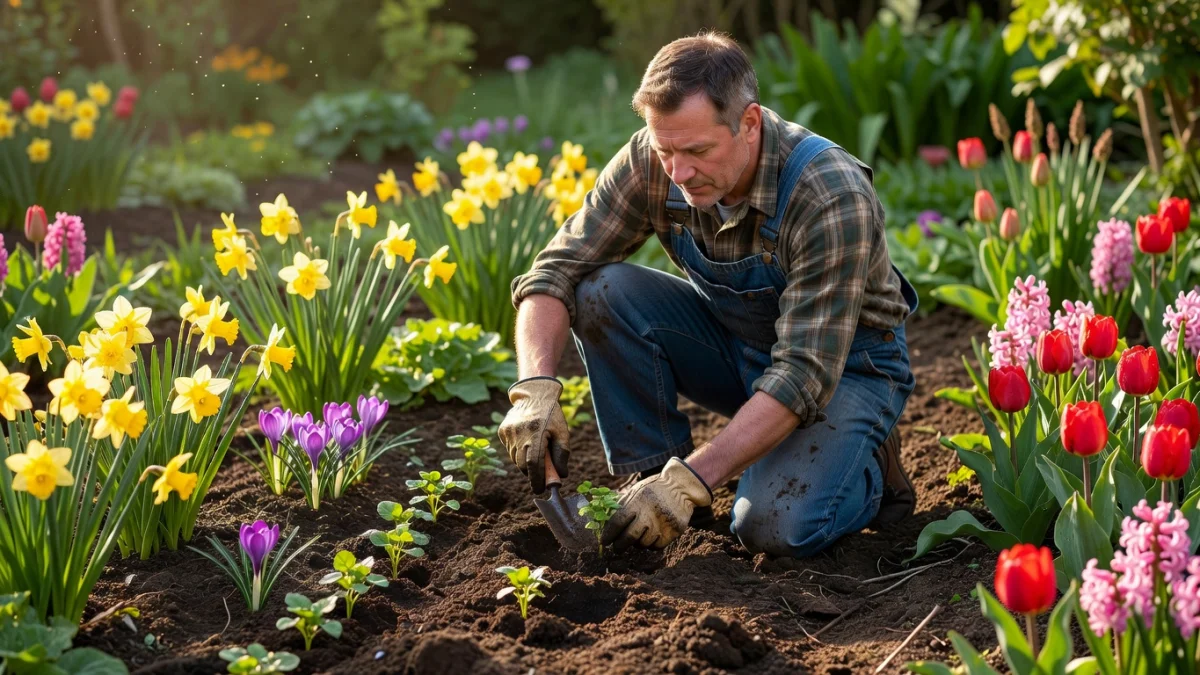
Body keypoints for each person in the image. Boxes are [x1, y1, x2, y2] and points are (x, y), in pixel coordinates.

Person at [498, 31, 919, 558]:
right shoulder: (658, 162)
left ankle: (869, 471)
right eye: (665, 150)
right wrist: (533, 387)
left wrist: (694, 478)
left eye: (698, 150)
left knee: (772, 527)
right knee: (603, 289)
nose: (679, 173)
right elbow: (555, 270)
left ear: (749, 123)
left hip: (844, 370)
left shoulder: (828, 195)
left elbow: (804, 373)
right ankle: (648, 488)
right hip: (739, 344)